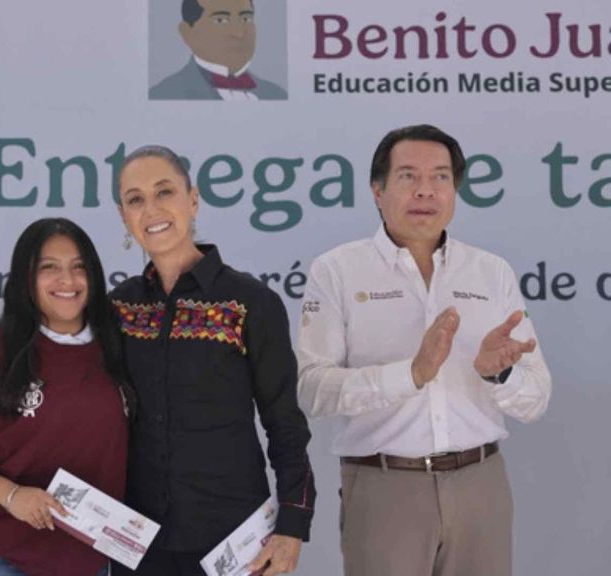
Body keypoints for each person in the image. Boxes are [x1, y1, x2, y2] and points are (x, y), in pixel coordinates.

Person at [0, 146, 315, 576]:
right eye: (136, 199)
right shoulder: (117, 310)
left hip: (232, 540)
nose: (151, 209)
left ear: (193, 200)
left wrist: (292, 526)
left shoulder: (251, 304)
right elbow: (46, 341)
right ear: (124, 216)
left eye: (164, 192)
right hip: (136, 544)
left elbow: (285, 423)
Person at [296, 124, 552, 576]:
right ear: (377, 190)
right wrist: (410, 374)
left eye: (440, 177)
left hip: (480, 485)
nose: (425, 191)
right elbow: (311, 390)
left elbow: (537, 398)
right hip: (383, 487)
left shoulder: (491, 272)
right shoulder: (337, 270)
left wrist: (500, 374)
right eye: (408, 176)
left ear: (455, 191)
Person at [0, 217, 131, 576]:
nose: (67, 281)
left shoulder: (122, 346)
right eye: (49, 268)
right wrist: (10, 495)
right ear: (26, 277)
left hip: (86, 556)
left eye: (78, 267)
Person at [150, 0, 287, 101]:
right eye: (220, 20)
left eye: (246, 18)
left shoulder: (277, 94)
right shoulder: (163, 94)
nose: (239, 33)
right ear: (187, 33)